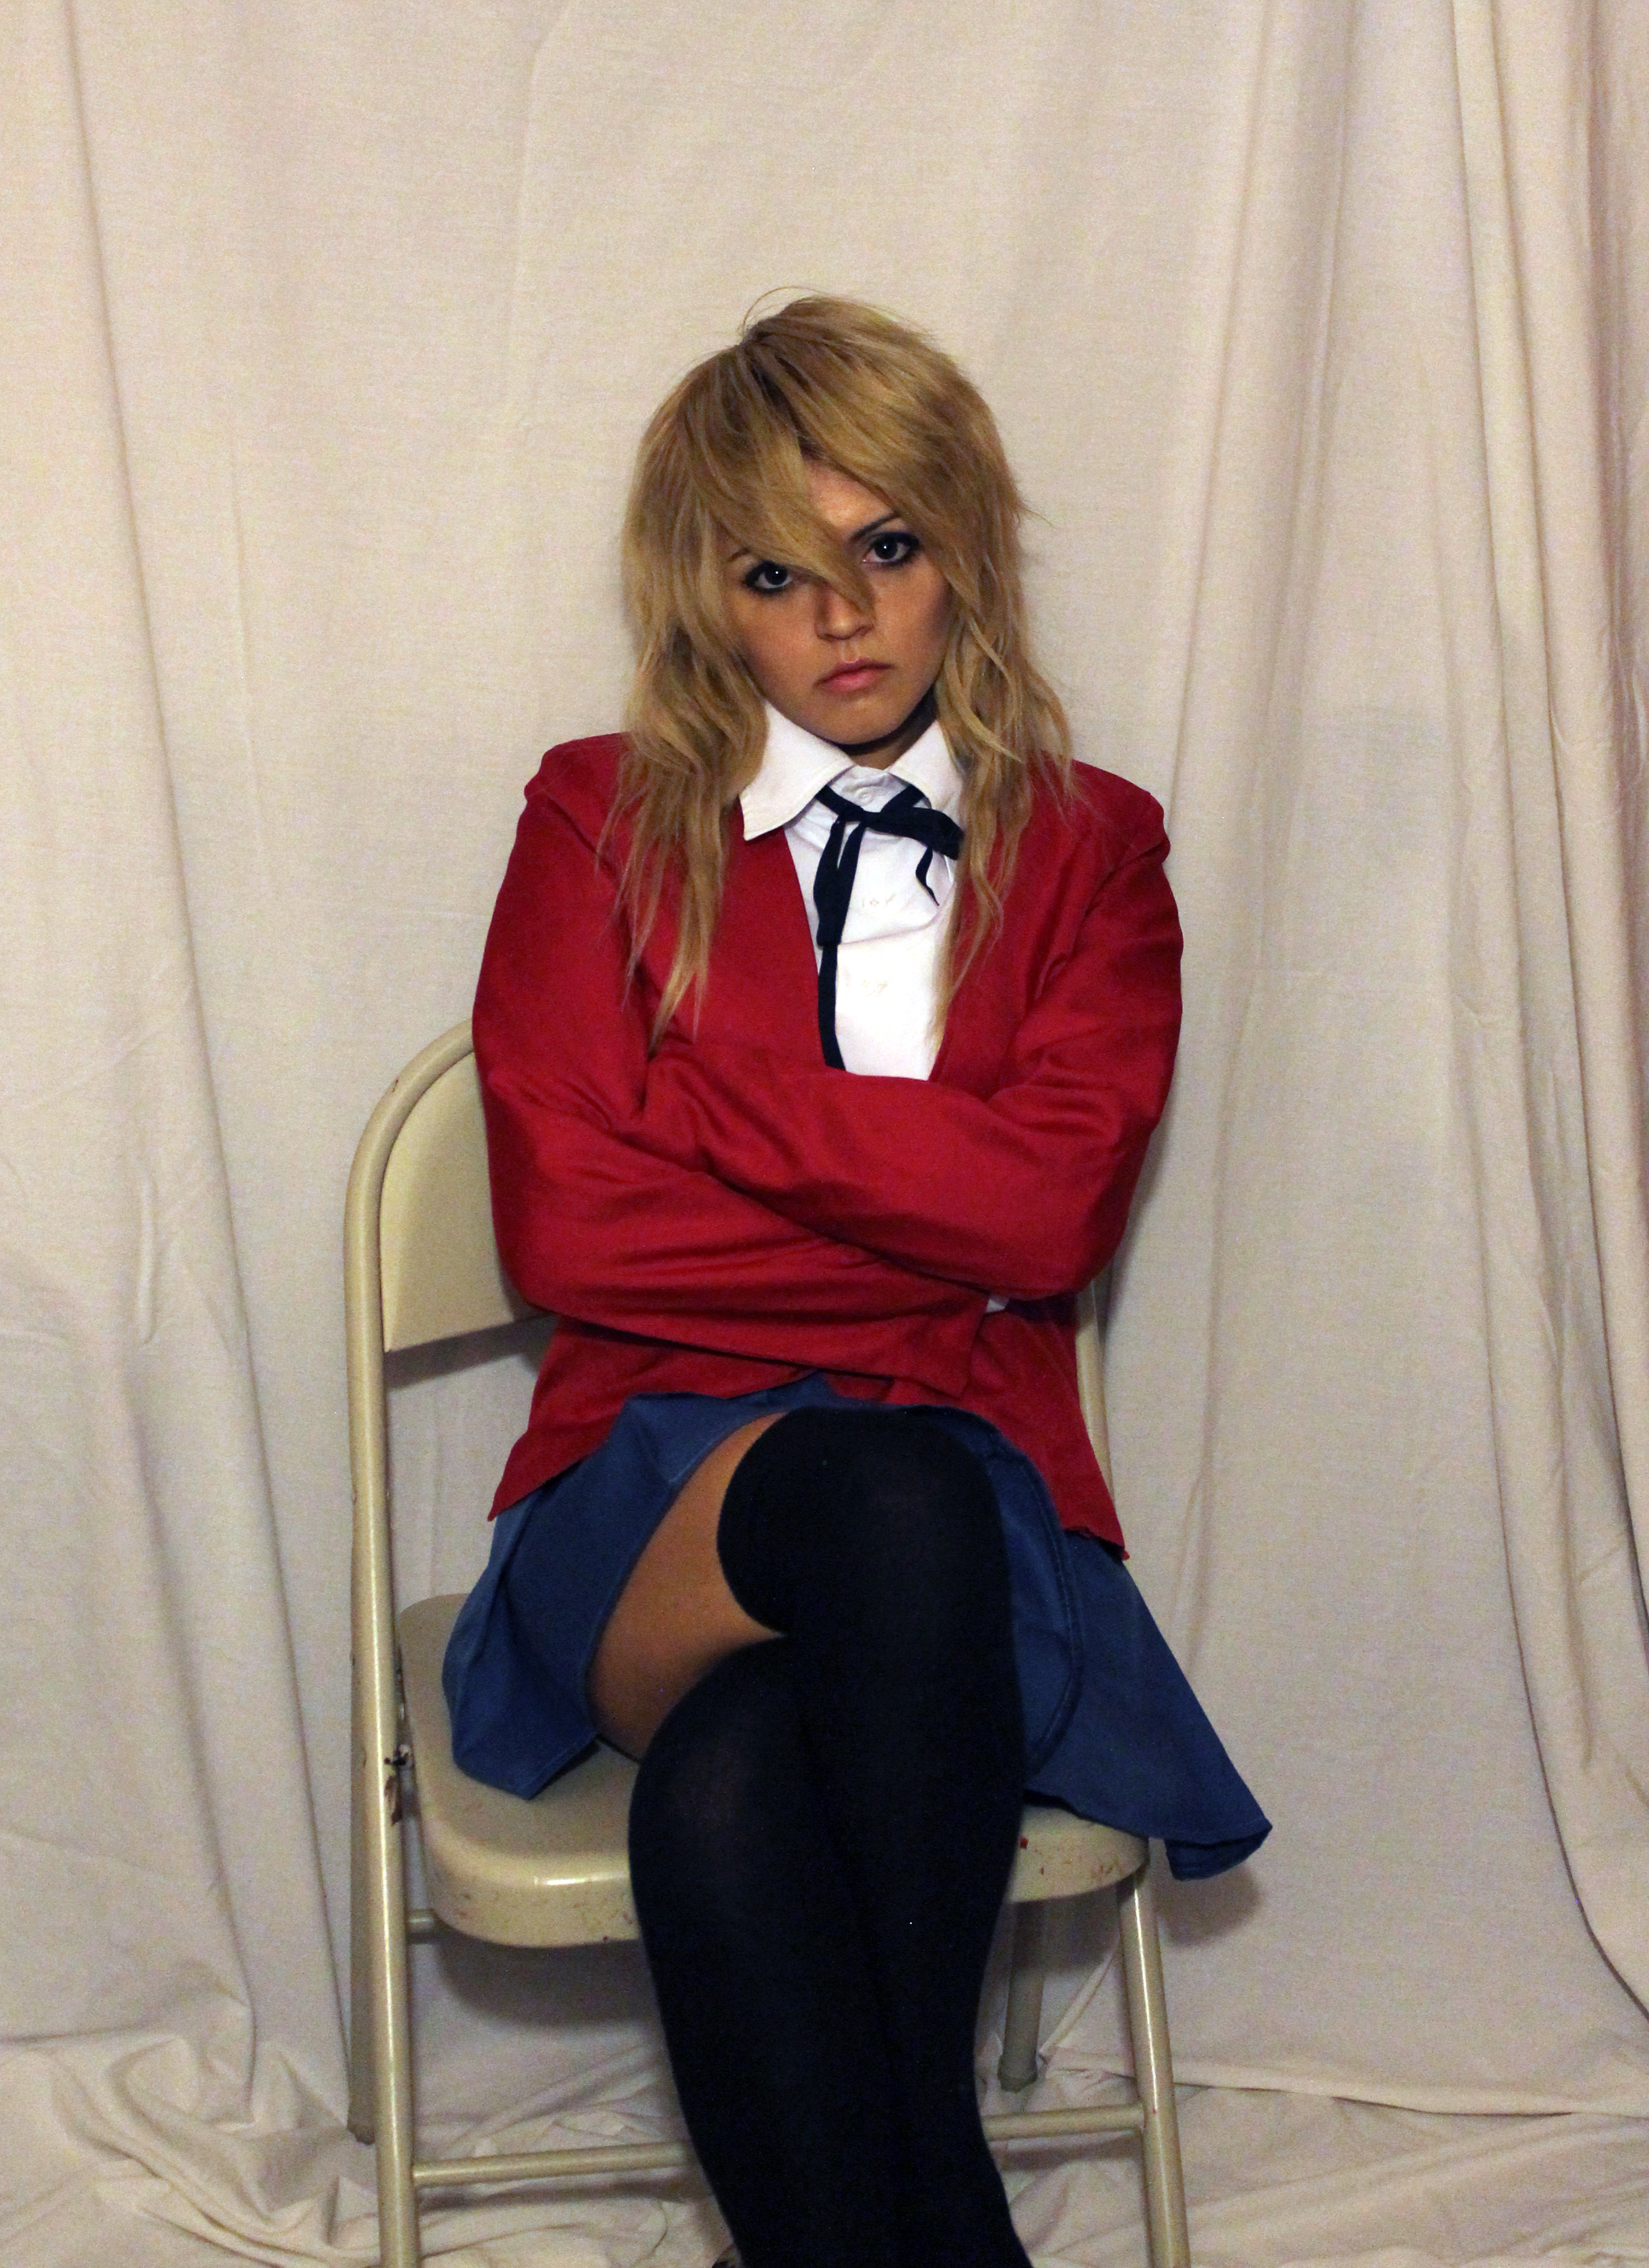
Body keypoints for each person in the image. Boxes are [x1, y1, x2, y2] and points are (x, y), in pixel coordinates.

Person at [444, 296, 1267, 2268]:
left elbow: (1049, 1220)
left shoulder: (1092, 851)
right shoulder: (595, 818)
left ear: (960, 543)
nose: (841, 616)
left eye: (886, 547)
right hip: (653, 1494)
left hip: (966, 1517)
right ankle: (950, 2194)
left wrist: (711, 1106)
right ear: (702, 597)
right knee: (876, 1487)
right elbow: (569, 1230)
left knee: (736, 1778)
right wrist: (923, 1249)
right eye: (772, 573)